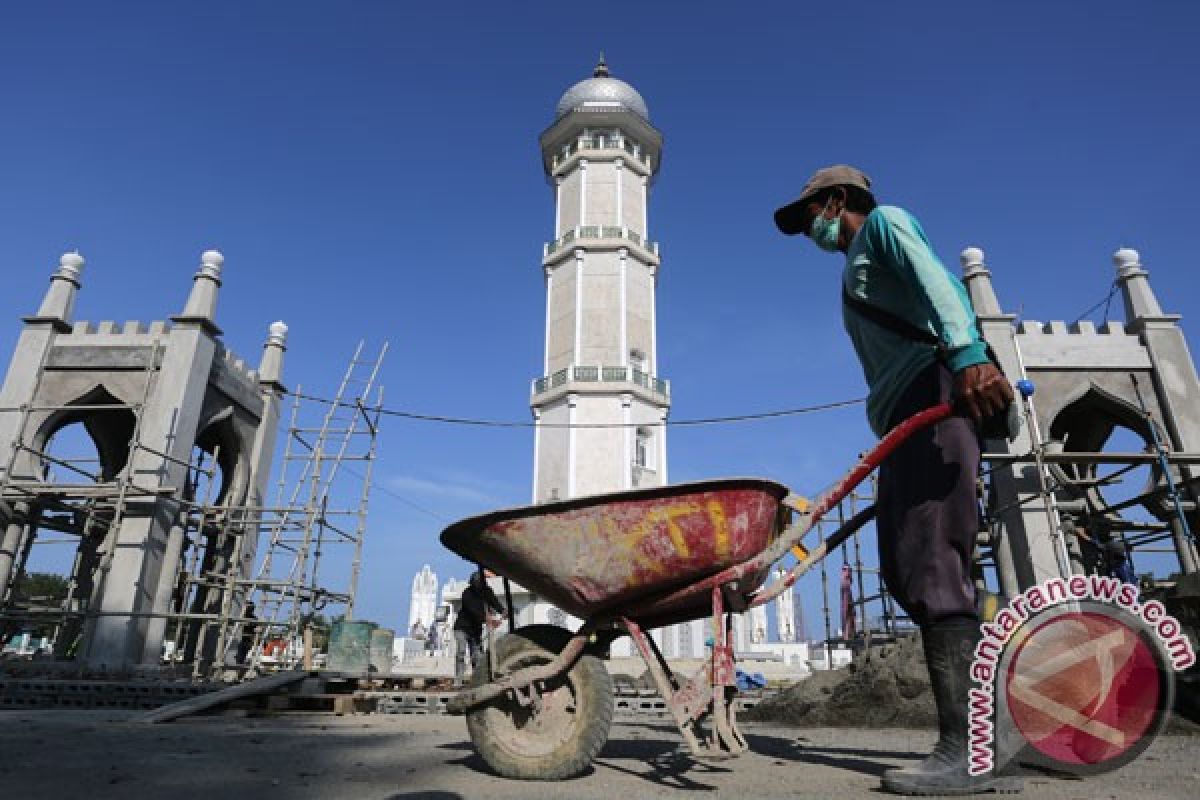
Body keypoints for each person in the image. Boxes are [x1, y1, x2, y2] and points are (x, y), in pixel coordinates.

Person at [775, 165, 1020, 796]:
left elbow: (937, 282)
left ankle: (967, 750)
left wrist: (967, 354)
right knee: (906, 565)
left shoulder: (884, 226)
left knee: (934, 561)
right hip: (904, 417)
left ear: (835, 201)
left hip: (934, 392)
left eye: (809, 216)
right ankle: (992, 738)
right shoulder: (852, 268)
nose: (808, 231)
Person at [453, 569, 505, 682]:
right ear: (473, 583)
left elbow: (494, 602)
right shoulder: (467, 593)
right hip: (461, 628)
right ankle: (458, 680)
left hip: (475, 630)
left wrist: (503, 611)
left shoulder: (487, 591)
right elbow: (473, 611)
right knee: (461, 652)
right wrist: (490, 621)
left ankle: (477, 680)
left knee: (477, 655)